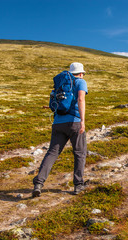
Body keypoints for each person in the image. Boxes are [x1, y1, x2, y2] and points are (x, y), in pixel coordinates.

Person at [32, 62, 88, 197]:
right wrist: (82, 121)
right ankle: (78, 185)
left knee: (52, 153)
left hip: (58, 123)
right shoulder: (80, 82)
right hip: (74, 122)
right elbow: (81, 99)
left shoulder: (61, 83)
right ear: (81, 73)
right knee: (79, 153)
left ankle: (38, 183)